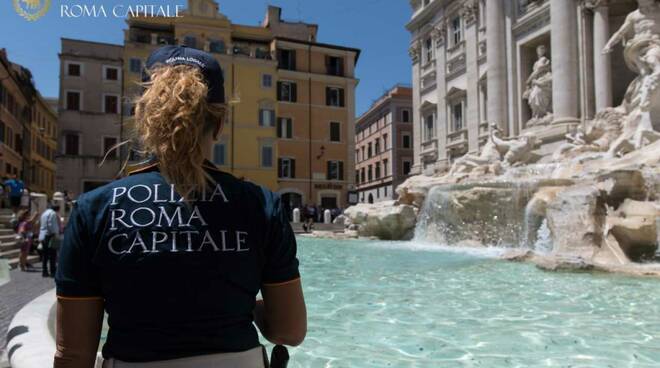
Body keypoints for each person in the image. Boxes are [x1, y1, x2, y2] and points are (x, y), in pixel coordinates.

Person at [54, 45, 306, 368]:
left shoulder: (94, 209)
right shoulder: (261, 205)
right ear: (220, 122)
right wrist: (252, 308)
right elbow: (290, 331)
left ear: (142, 116)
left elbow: (73, 354)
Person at [39, 204, 61, 277]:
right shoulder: (53, 213)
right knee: (53, 254)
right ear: (57, 209)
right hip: (50, 235)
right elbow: (52, 225)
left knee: (45, 255)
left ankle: (44, 271)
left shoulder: (44, 213)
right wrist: (56, 234)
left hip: (42, 234)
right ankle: (52, 271)